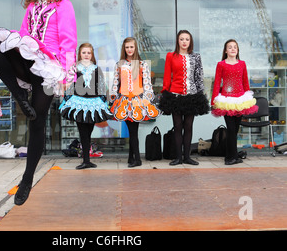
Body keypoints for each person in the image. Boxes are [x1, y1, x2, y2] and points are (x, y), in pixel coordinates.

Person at [0, 0, 77, 205]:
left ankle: (27, 179)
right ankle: (18, 94)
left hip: (49, 69)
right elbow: (23, 37)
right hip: (27, 60)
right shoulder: (31, 6)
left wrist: (67, 73)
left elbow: (69, 41)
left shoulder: (64, 6)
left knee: (38, 122)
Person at [159, 30, 210, 166]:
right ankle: (178, 158)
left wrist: (201, 93)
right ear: (178, 41)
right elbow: (167, 75)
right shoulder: (171, 56)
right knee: (177, 126)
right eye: (181, 39)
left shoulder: (196, 57)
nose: (184, 42)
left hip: (192, 96)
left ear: (190, 41)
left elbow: (199, 77)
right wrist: (165, 92)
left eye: (187, 39)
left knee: (188, 126)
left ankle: (187, 157)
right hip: (175, 95)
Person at [59, 43, 112, 169]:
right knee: (83, 132)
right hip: (79, 103)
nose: (86, 55)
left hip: (94, 103)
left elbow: (101, 86)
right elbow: (70, 85)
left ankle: (87, 160)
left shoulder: (96, 69)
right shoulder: (74, 68)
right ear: (79, 54)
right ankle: (85, 160)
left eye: (89, 53)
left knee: (89, 131)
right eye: (84, 52)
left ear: (92, 54)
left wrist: (104, 100)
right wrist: (67, 99)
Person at [110, 37, 160, 167]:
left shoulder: (142, 64)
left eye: (131, 47)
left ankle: (137, 159)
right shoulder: (119, 64)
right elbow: (115, 83)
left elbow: (147, 84)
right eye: (127, 47)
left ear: (135, 48)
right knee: (132, 131)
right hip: (124, 101)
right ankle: (132, 157)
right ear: (124, 49)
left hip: (138, 100)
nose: (129, 49)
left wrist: (147, 99)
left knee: (134, 131)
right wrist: (113, 98)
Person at [211, 39, 258, 165]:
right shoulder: (221, 64)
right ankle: (231, 157)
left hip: (241, 99)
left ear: (237, 50)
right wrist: (214, 99)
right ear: (225, 50)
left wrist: (248, 97)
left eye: (235, 47)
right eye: (230, 47)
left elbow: (245, 81)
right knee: (230, 129)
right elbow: (217, 83)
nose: (232, 49)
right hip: (227, 100)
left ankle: (231, 156)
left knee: (235, 129)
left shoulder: (242, 64)